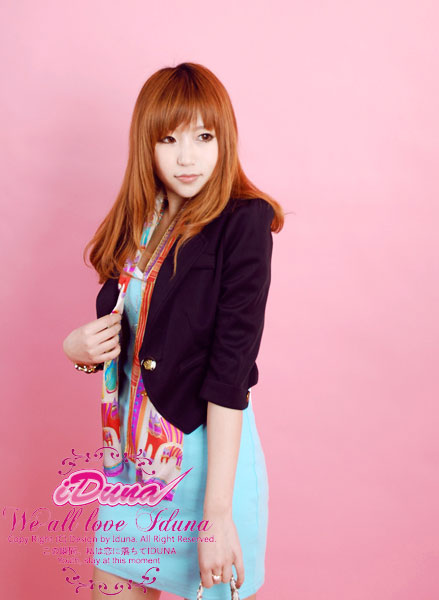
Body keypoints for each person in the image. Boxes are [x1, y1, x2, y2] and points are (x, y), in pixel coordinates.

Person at [63, 62, 284, 600]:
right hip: (132, 467)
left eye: (203, 137)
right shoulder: (141, 218)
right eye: (169, 139)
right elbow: (130, 337)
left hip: (209, 464)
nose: (187, 158)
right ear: (148, 145)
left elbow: (230, 373)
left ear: (224, 139)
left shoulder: (244, 221)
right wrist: (78, 349)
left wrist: (216, 515)